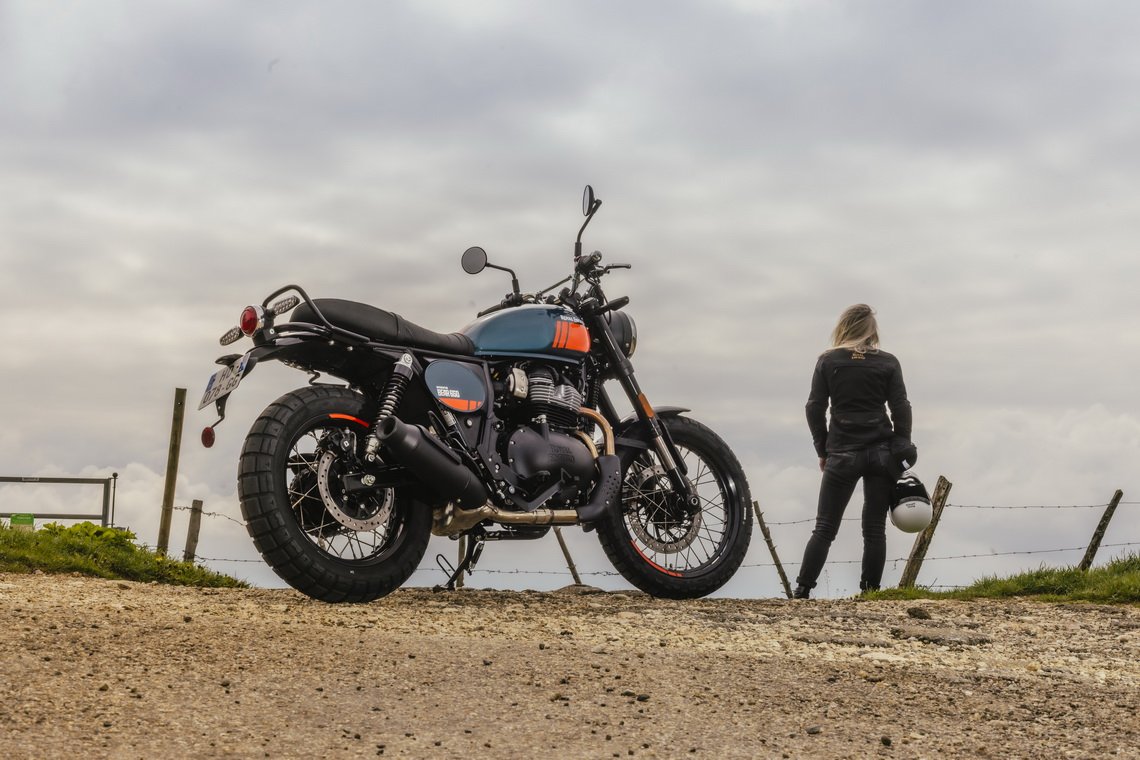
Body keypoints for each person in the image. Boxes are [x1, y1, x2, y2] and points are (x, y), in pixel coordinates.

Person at [793, 304, 912, 599]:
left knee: (824, 528)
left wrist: (823, 449)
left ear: (843, 327)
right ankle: (870, 593)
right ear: (872, 331)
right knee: (874, 529)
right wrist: (901, 444)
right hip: (881, 454)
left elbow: (814, 408)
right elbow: (901, 407)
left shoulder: (828, 361)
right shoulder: (888, 363)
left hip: (842, 453)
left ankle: (803, 590)